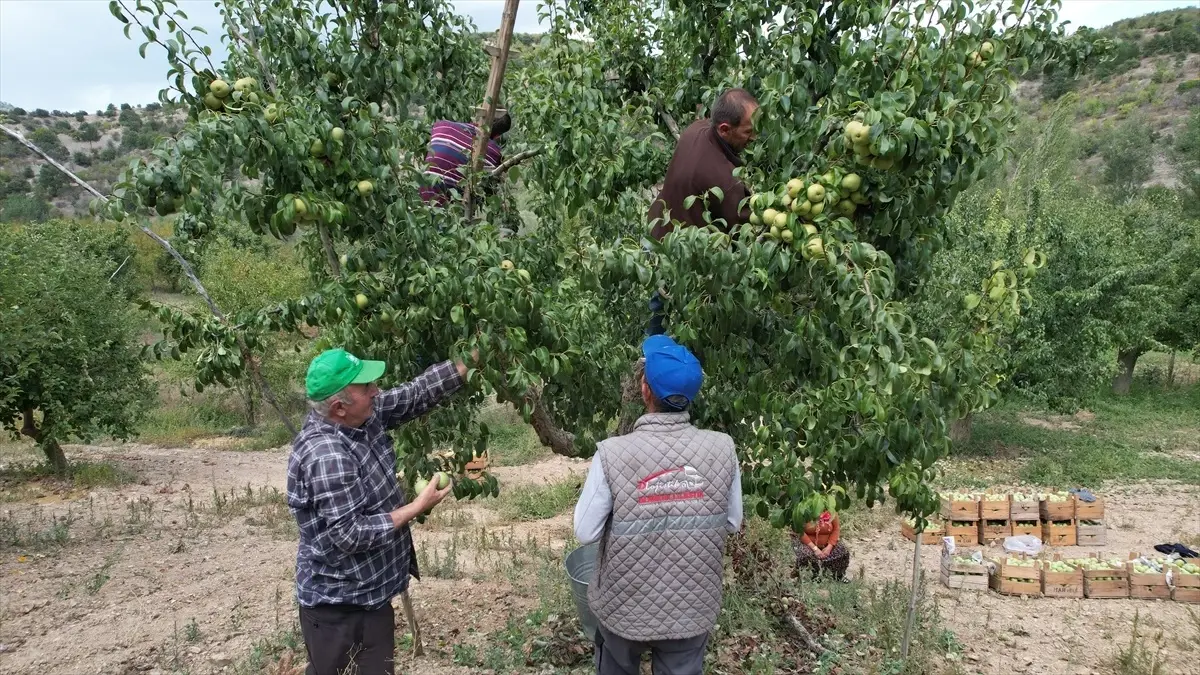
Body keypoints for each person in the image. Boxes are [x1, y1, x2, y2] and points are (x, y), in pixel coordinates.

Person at [287, 347, 473, 675]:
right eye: (366, 387)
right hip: (340, 607)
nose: (377, 390)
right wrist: (415, 507)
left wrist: (470, 360)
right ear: (338, 407)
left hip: (369, 595)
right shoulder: (328, 455)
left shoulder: (362, 417)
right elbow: (350, 533)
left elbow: (416, 394)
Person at [574, 334, 743, 675]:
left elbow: (584, 531)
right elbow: (732, 522)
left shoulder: (612, 453)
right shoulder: (722, 448)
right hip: (691, 607)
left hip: (624, 607)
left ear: (645, 391)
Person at [645, 88, 759, 335]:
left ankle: (651, 351)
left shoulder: (697, 128)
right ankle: (659, 359)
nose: (754, 138)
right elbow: (745, 230)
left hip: (659, 226)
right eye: (748, 132)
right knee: (682, 313)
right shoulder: (726, 182)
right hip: (679, 250)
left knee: (660, 302)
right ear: (724, 129)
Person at [418, 111, 512, 206]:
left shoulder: (441, 125)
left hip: (421, 200)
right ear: (498, 136)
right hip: (453, 209)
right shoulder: (494, 153)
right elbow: (487, 193)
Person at [792, 510, 851, 582]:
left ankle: (838, 575)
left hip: (826, 545)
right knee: (805, 555)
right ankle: (810, 575)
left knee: (843, 552)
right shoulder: (804, 510)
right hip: (808, 544)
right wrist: (815, 549)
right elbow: (800, 532)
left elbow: (836, 529)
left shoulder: (831, 510)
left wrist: (829, 547)